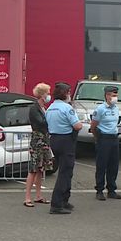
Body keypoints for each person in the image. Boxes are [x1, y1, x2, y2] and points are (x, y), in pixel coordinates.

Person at [46, 82, 82, 215]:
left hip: (54, 139)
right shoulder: (67, 108)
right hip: (66, 140)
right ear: (66, 93)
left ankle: (64, 200)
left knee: (65, 170)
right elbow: (77, 126)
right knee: (65, 173)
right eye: (69, 92)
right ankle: (56, 204)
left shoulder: (50, 108)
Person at [23, 83, 54, 208]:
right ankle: (27, 197)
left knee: (41, 169)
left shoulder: (43, 108)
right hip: (37, 141)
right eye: (47, 93)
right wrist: (50, 119)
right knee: (33, 169)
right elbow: (40, 122)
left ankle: (38, 195)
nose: (48, 95)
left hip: (45, 141)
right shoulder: (34, 108)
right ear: (42, 94)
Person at [90, 85, 121, 201]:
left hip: (114, 138)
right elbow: (93, 126)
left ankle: (111, 189)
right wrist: (98, 137)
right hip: (103, 138)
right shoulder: (100, 109)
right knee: (102, 165)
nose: (115, 97)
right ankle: (99, 190)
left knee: (114, 165)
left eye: (116, 95)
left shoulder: (116, 108)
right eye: (113, 95)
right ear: (107, 96)